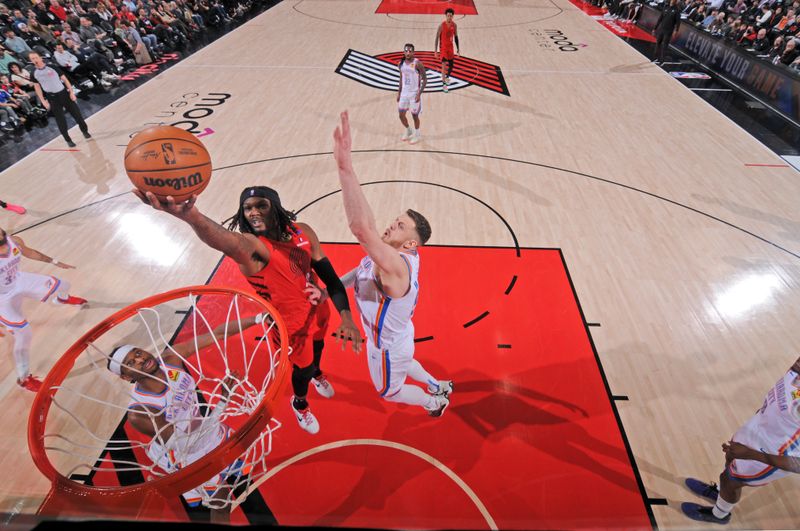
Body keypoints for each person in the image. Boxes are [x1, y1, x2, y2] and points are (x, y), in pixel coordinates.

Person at [133, 187, 362, 435]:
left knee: (319, 347)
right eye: (247, 208)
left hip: (317, 309)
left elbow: (331, 279)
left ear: (275, 206)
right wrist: (191, 217)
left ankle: (318, 373)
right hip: (290, 324)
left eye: (260, 205)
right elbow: (226, 241)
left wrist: (346, 317)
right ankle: (300, 403)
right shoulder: (253, 247)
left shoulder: (302, 231)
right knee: (302, 369)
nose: (253, 212)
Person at [332, 111, 451, 417]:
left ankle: (433, 402)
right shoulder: (390, 255)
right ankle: (437, 385)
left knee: (390, 390)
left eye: (400, 227)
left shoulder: (396, 266)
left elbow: (361, 229)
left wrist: (345, 167)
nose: (390, 227)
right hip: (402, 337)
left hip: (386, 345)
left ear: (411, 243)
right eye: (395, 221)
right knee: (405, 362)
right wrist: (331, 286)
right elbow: (362, 266)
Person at [107, 313, 266, 523]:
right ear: (127, 377)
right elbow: (186, 444)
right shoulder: (140, 412)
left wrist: (258, 319)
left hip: (203, 428)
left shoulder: (170, 359)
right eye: (131, 363)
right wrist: (222, 401)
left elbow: (217, 333)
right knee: (221, 501)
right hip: (184, 451)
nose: (140, 359)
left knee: (238, 475)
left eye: (138, 352)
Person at [682, 355, 800, 524]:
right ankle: (720, 493)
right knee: (729, 463)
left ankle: (720, 514)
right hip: (758, 427)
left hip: (772, 452)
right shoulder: (797, 369)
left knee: (731, 480)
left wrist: (751, 454)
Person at [0, 226, 86, 392]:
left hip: (19, 281)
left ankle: (62, 299)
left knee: (64, 284)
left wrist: (54, 261)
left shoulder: (14, 240)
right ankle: (24, 378)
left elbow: (30, 252)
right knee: (24, 335)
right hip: (2, 298)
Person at [28, 51, 91, 148]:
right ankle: (68, 140)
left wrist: (71, 92)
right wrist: (43, 101)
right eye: (32, 59)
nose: (35, 60)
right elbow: (37, 88)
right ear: (30, 61)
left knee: (77, 115)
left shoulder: (52, 67)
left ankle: (84, 131)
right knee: (61, 121)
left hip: (64, 94)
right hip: (52, 98)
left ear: (40, 57)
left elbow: (65, 79)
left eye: (36, 57)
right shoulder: (33, 73)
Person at [397, 43, 426, 145]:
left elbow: (425, 79)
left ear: (413, 52)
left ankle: (417, 134)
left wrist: (419, 93)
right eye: (406, 51)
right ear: (404, 52)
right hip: (404, 93)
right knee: (401, 115)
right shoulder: (400, 64)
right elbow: (401, 79)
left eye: (410, 51)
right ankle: (408, 130)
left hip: (414, 93)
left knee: (414, 116)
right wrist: (399, 92)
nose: (408, 53)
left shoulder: (418, 64)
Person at [434, 8, 459, 93]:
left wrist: (458, 48)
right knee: (444, 66)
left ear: (453, 16)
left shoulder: (454, 25)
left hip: (450, 47)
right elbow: (437, 38)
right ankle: (444, 84)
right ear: (446, 16)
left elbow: (456, 37)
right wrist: (436, 51)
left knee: (451, 65)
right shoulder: (441, 25)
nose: (449, 17)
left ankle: (447, 77)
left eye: (451, 16)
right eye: (448, 16)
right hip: (443, 48)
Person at [653, 0, 681, 64]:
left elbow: (678, 22)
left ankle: (662, 60)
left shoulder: (677, 10)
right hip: (661, 29)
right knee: (658, 43)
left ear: (676, 1)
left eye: (674, 0)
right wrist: (655, 28)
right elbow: (660, 19)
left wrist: (676, 31)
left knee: (665, 45)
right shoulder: (666, 7)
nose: (673, 1)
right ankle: (656, 57)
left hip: (669, 31)